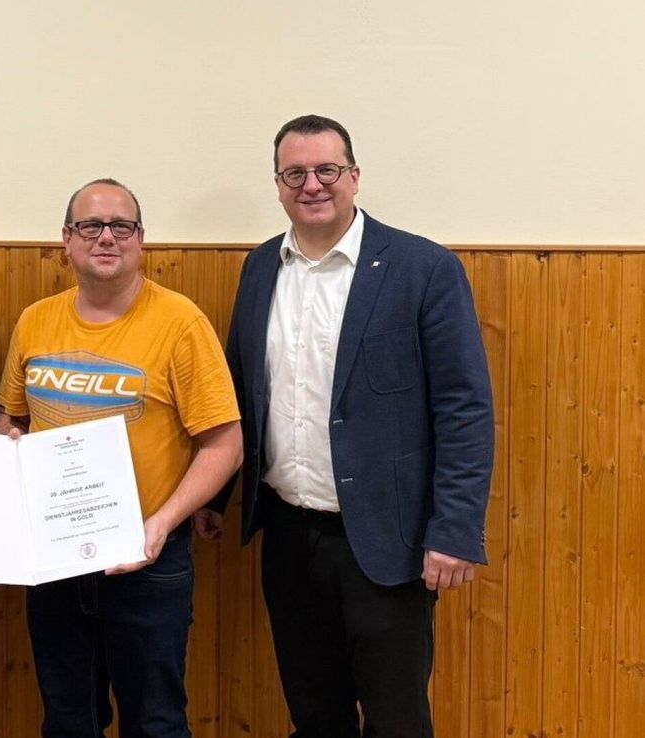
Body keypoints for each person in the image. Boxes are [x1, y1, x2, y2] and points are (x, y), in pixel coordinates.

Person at [204, 114, 495, 736]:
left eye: (327, 170)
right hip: (286, 534)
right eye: (295, 173)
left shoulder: (423, 268)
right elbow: (240, 391)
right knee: (314, 714)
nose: (312, 184)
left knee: (396, 719)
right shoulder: (261, 269)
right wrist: (219, 496)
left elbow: (465, 408)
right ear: (278, 184)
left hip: (388, 542)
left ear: (354, 177)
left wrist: (455, 528)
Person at [0, 178, 242, 737]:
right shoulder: (36, 320)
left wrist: (160, 525)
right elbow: (12, 416)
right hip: (54, 564)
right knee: (67, 720)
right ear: (67, 239)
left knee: (154, 722)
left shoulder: (181, 323)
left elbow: (224, 445)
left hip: (147, 562)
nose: (106, 237)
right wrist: (9, 455)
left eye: (121, 226)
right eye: (91, 226)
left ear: (140, 239)